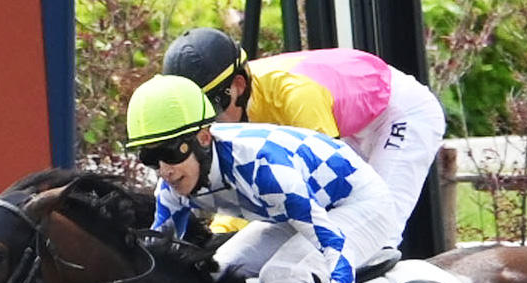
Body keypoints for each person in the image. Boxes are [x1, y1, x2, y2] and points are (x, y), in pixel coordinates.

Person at [125, 73, 416, 283]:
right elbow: (156, 258)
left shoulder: (264, 170)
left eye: (170, 153)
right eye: (150, 157)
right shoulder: (171, 188)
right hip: (291, 213)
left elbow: (332, 242)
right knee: (217, 271)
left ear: (203, 138)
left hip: (361, 206)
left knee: (281, 278)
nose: (164, 171)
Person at [161, 28, 446, 246]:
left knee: (375, 228)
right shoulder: (239, 103)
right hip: (345, 117)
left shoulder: (296, 97)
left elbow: (323, 186)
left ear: (238, 85)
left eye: (212, 108)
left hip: (399, 113)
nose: (208, 125)